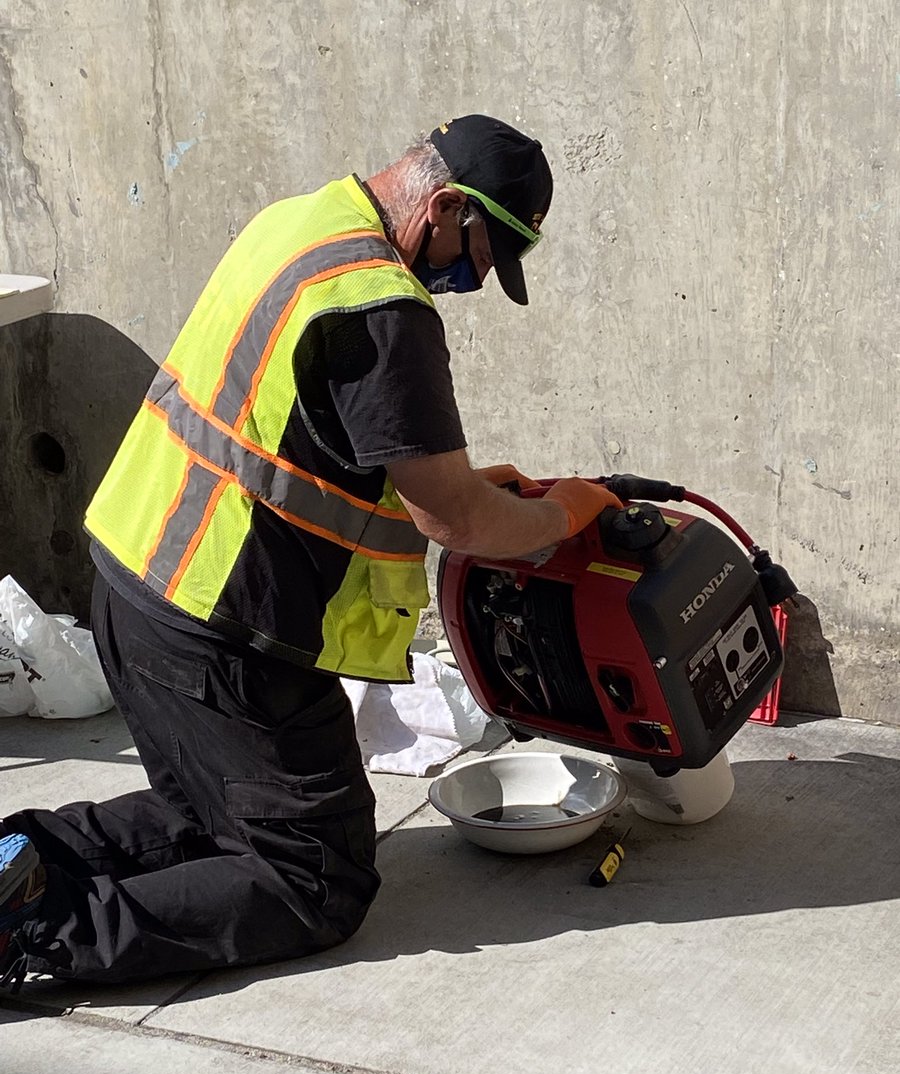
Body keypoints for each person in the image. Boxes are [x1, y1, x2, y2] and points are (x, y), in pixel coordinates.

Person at [0, 115, 622, 992]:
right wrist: (564, 513)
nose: (473, 280)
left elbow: (291, 435)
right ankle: (39, 940)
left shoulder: (302, 223)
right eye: (483, 255)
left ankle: (13, 860)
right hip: (222, 626)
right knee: (314, 877)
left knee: (206, 818)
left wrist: (467, 483)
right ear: (445, 205)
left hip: (134, 582)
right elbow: (458, 523)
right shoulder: (382, 307)